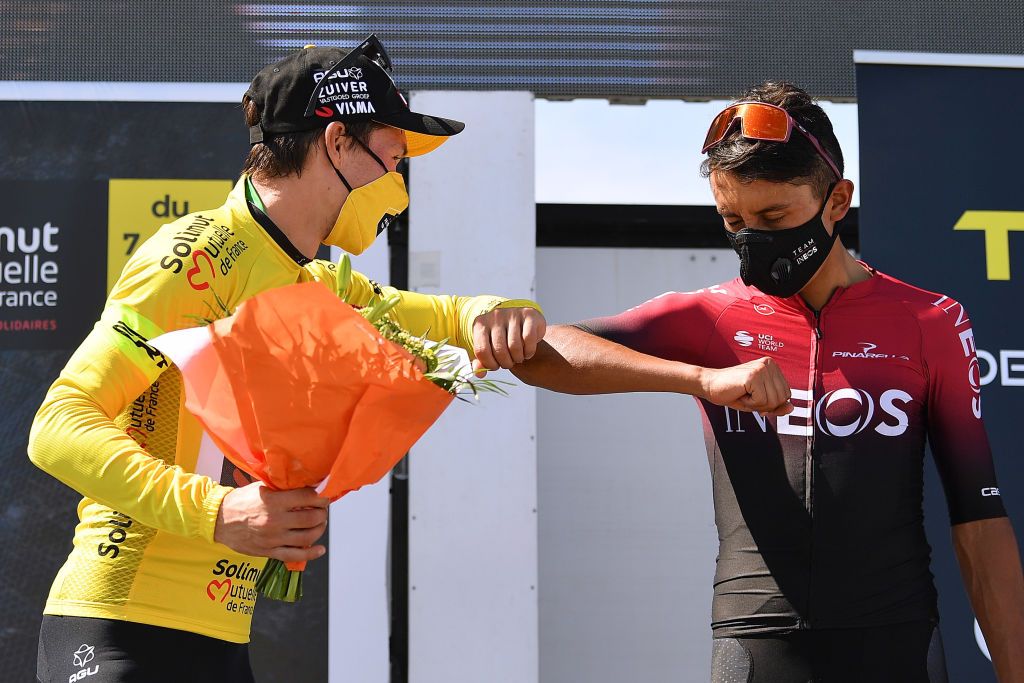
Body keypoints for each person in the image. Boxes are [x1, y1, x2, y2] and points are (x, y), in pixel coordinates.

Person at [27, 35, 552, 683]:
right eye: (392, 159)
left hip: (221, 636)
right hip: (121, 626)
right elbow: (58, 426)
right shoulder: (200, 255)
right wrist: (216, 512)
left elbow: (442, 314)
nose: (397, 186)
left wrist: (497, 312)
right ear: (335, 143)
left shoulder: (315, 282)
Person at [513, 82, 1024, 682]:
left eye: (774, 216)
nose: (752, 235)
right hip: (756, 641)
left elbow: (980, 519)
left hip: (896, 640)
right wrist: (699, 378)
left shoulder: (929, 320)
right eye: (733, 218)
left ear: (837, 201)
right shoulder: (710, 317)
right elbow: (543, 353)